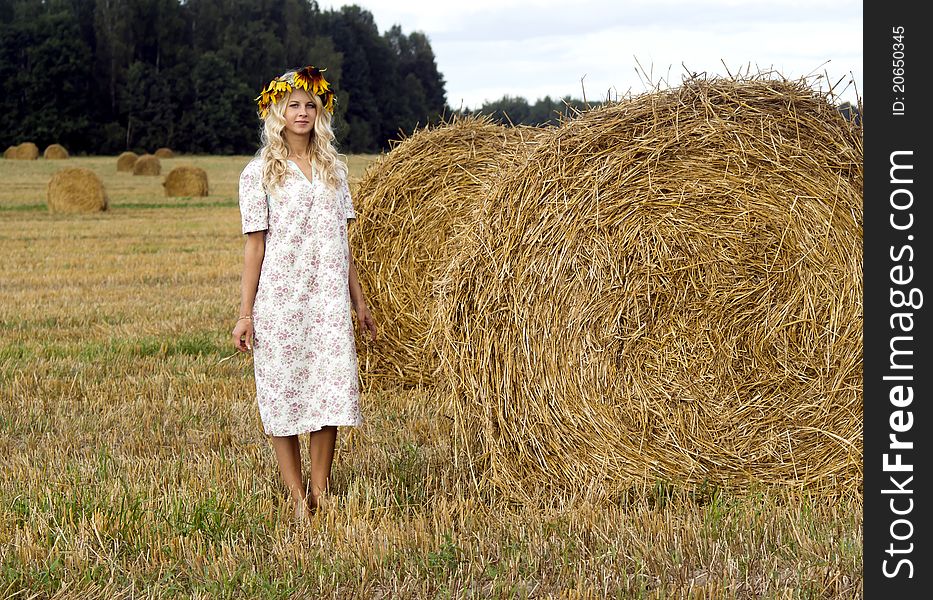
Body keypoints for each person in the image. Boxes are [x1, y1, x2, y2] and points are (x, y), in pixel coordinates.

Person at [232, 65, 377, 522]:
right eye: (292, 105)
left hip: (329, 300)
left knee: (329, 392)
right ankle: (296, 497)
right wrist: (245, 314)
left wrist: (359, 301)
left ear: (321, 112)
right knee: (283, 394)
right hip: (281, 299)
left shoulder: (335, 170)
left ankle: (320, 491)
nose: (301, 112)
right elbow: (255, 246)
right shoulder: (258, 174)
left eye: (309, 105)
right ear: (277, 112)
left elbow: (343, 243)